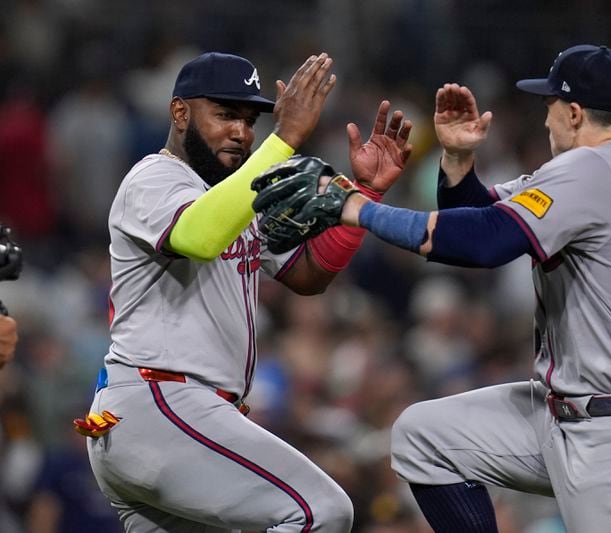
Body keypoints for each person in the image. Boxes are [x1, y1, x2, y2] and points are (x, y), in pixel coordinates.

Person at [337, 44, 611, 531]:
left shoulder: (593, 170)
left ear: (574, 113)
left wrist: (360, 210)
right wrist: (458, 162)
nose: (545, 120)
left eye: (549, 106)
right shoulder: (599, 172)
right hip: (573, 418)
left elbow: (484, 244)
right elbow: (482, 219)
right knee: (426, 438)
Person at [77, 51, 411, 532]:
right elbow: (197, 237)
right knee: (320, 509)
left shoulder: (234, 198)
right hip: (161, 402)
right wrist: (285, 138)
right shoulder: (155, 177)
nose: (242, 131)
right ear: (180, 112)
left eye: (251, 120)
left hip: (170, 418)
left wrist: (366, 194)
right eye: (226, 114)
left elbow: (308, 274)